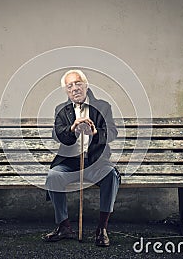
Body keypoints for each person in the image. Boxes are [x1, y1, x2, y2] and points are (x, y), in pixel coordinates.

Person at [42, 69, 121, 247]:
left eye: (78, 83)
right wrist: (72, 129)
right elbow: (56, 134)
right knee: (53, 176)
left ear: (86, 85)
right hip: (70, 163)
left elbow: (113, 132)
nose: (75, 88)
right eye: (70, 86)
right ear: (66, 91)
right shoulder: (61, 110)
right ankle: (64, 227)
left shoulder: (103, 106)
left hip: (96, 162)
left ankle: (102, 229)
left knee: (111, 176)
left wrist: (94, 132)